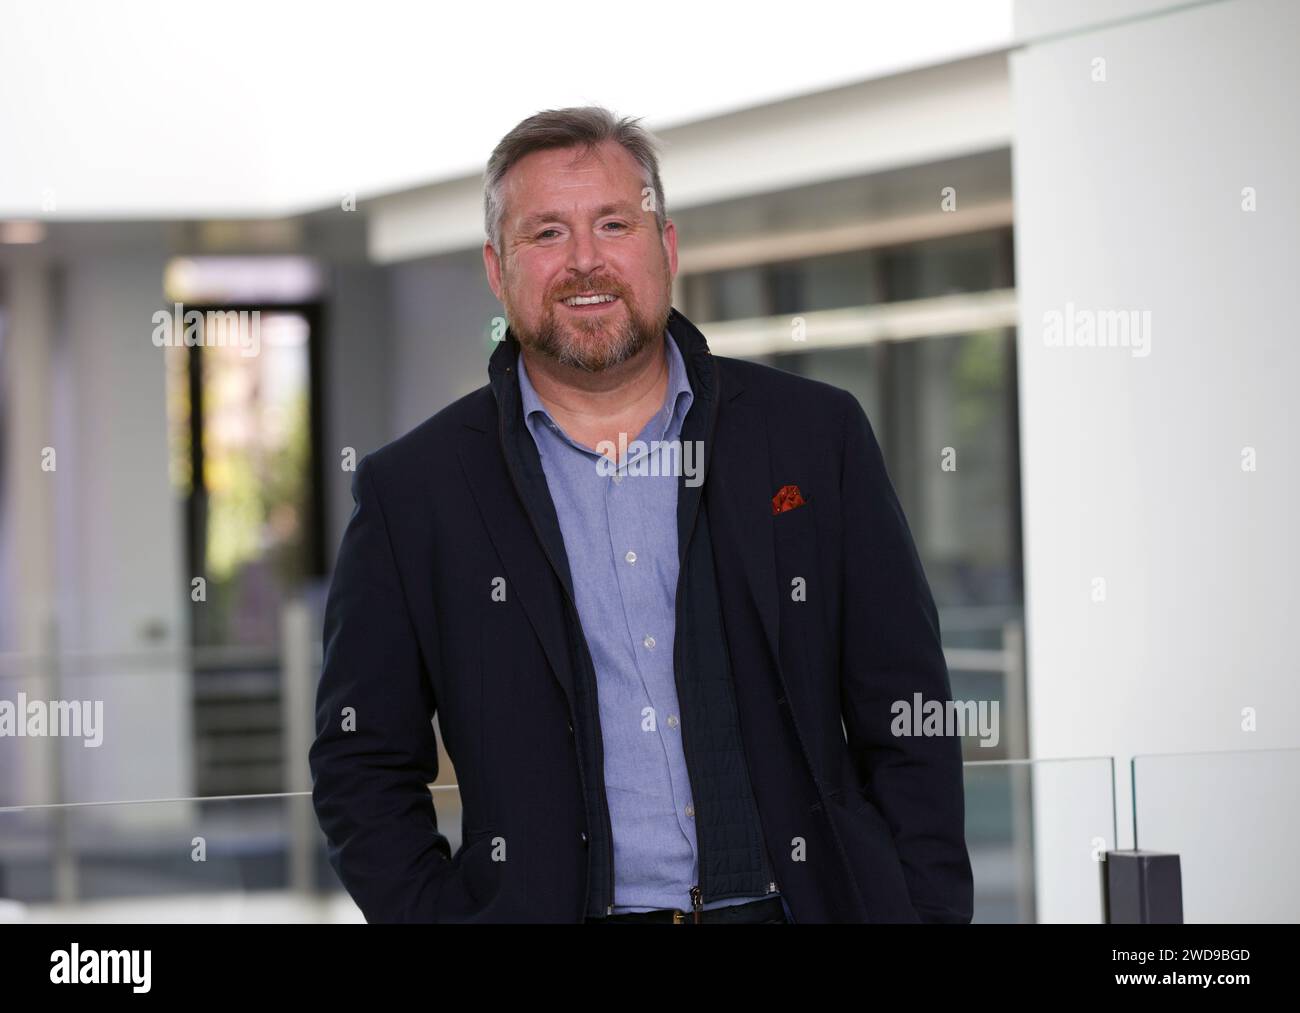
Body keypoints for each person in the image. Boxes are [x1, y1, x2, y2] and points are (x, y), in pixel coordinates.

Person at [308, 106, 973, 924]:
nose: (586, 260)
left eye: (614, 222)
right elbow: (359, 765)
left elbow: (907, 708)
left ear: (667, 245)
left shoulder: (814, 437)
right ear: (496, 267)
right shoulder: (414, 491)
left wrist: (924, 908)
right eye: (545, 233)